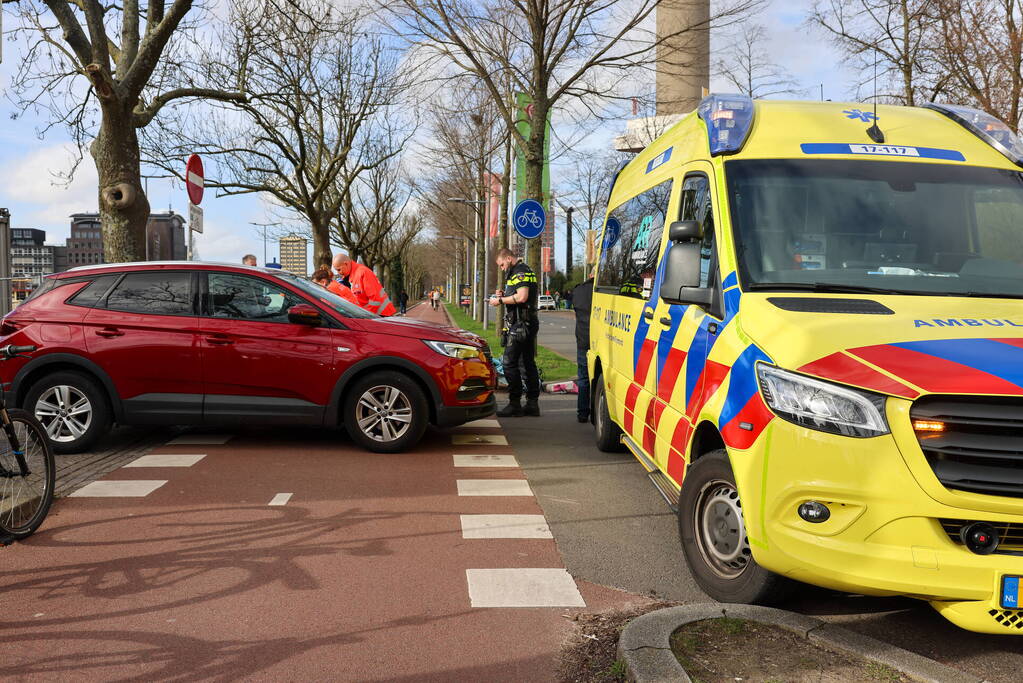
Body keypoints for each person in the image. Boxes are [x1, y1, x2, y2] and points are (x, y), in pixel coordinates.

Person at [489, 248, 540, 417]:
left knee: (509, 363)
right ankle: (532, 404)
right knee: (526, 363)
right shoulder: (524, 270)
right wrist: (505, 294)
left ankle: (515, 403)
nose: (502, 268)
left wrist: (500, 301)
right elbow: (518, 294)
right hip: (526, 322)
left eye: (502, 265)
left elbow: (522, 296)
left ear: (509, 259)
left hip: (520, 324)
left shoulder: (519, 272)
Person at [332, 253, 397, 316]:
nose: (338, 273)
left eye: (339, 269)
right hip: (375, 315)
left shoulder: (363, 272)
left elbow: (374, 299)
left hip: (382, 315)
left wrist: (365, 316)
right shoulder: (350, 276)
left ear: (346, 264)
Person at [571, 271, 595, 423]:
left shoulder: (578, 290)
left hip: (582, 338)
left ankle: (582, 413)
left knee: (583, 378)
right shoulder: (600, 291)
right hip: (598, 338)